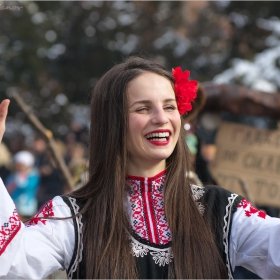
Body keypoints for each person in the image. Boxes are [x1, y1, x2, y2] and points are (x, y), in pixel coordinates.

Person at [0, 57, 280, 279]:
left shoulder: (222, 210)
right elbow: (12, 265)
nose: (162, 118)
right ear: (113, 121)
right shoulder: (74, 216)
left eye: (169, 106)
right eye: (143, 108)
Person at [5, 150, 40, 220]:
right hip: (13, 207)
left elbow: (28, 187)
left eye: (21, 165)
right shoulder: (13, 175)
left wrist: (19, 181)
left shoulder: (33, 175)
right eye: (18, 165)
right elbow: (7, 188)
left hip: (27, 208)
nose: (19, 167)